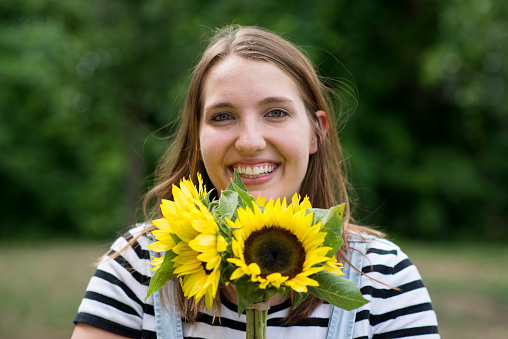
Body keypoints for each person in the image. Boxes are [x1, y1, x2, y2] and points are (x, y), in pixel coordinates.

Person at [71, 25, 440, 339]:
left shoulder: (383, 278)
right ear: (197, 137)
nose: (249, 141)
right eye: (222, 116)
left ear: (316, 133)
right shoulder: (137, 265)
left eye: (276, 113)